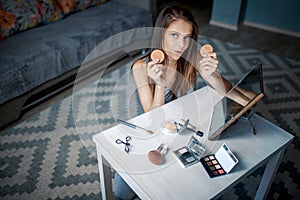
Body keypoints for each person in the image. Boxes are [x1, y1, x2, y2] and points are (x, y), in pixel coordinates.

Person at [113, 5, 234, 199]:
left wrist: (213, 75)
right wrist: (159, 84)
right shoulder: (140, 67)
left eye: (187, 37)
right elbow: (152, 116)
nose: (182, 45)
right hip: (150, 132)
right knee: (121, 195)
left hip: (182, 129)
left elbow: (226, 92)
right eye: (174, 35)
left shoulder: (190, 56)